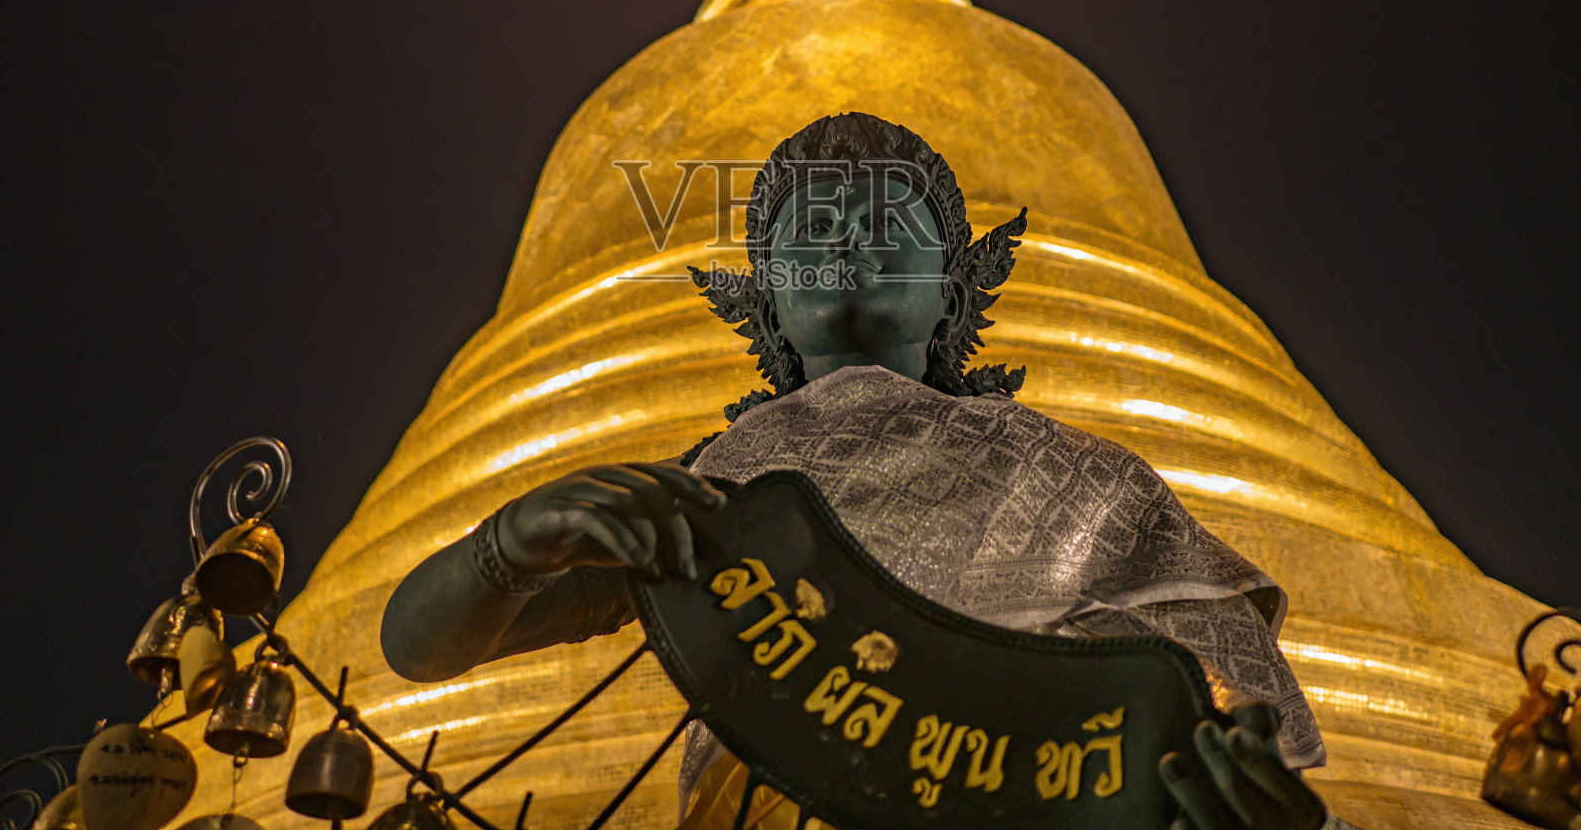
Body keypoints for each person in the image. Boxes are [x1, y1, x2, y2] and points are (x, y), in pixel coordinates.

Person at [382, 113, 1356, 830]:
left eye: (889, 222)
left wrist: (1230, 798)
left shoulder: (1088, 483)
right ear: (765, 303)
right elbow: (418, 649)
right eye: (813, 227)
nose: (848, 238)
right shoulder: (718, 496)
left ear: (958, 289)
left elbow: (1215, 719)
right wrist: (510, 544)